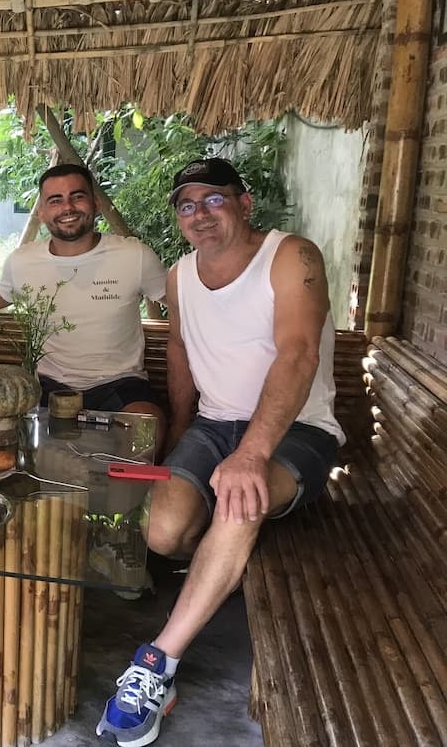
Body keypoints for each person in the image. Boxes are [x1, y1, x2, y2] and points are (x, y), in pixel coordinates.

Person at [96, 158, 345, 747]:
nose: (200, 215)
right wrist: (182, 433)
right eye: (187, 205)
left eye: (213, 199)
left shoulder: (291, 256)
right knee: (161, 534)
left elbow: (299, 352)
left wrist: (252, 453)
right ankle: (223, 561)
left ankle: (157, 664)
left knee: (238, 501)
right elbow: (182, 353)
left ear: (244, 203)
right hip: (213, 428)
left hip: (297, 430)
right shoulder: (180, 276)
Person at [0, 163, 167, 446]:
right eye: (55, 200)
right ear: (42, 212)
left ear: (95, 203)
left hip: (121, 384)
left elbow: (180, 301)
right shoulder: (23, 261)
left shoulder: (134, 256)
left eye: (77, 196)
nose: (67, 207)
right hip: (49, 386)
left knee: (146, 436)